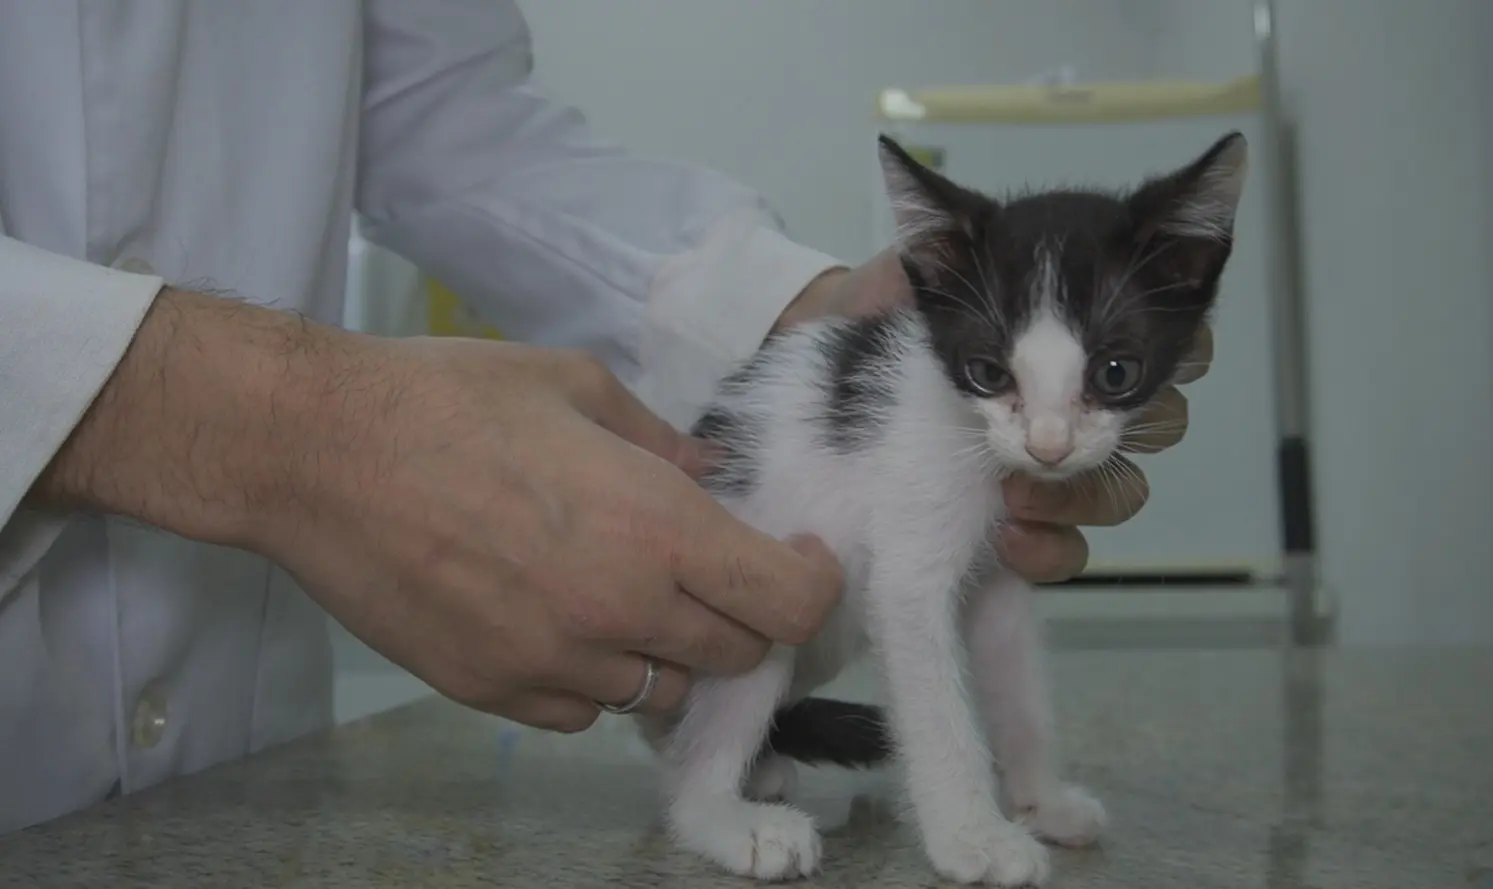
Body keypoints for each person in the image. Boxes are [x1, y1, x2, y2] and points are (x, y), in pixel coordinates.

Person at [0, 2, 1209, 835]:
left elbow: (444, 122)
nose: (1050, 433)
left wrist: (806, 307)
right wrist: (275, 427)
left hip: (244, 760)